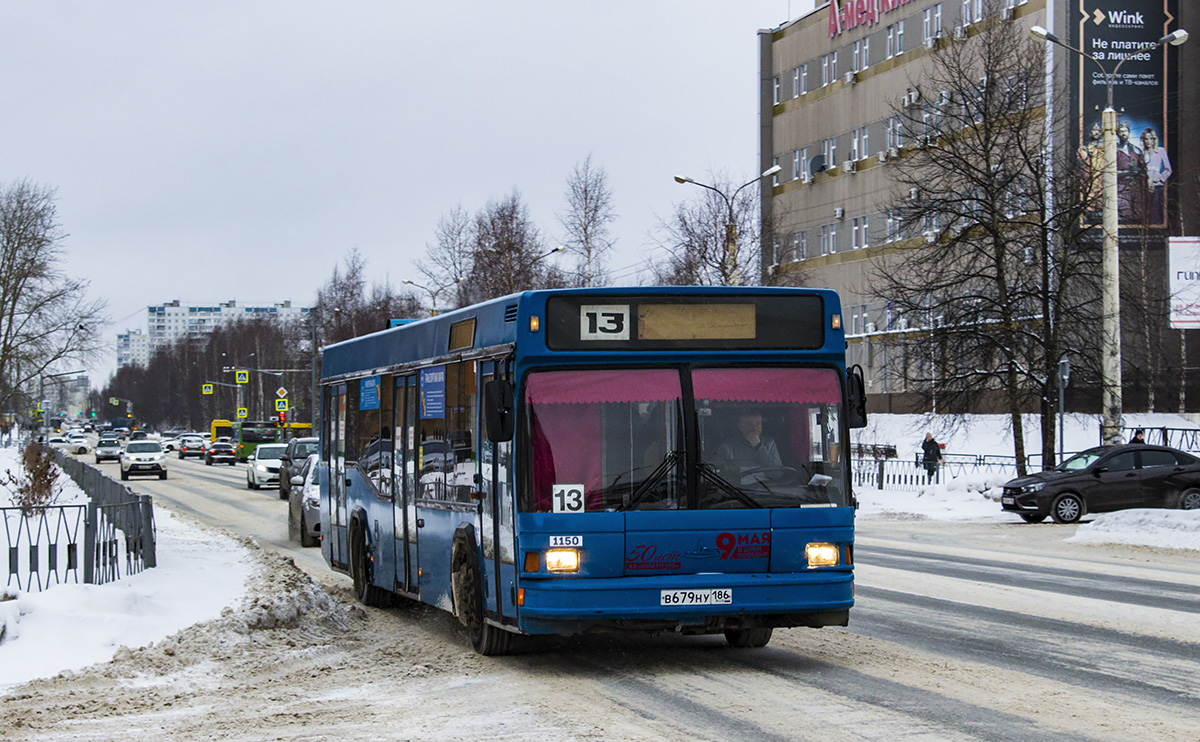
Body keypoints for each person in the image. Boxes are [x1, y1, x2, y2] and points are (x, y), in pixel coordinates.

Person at [714, 410, 782, 476]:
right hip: (736, 487)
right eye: (750, 425)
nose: (755, 429)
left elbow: (777, 474)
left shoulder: (769, 444)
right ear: (740, 427)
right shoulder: (727, 449)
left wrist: (758, 446)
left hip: (768, 486)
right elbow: (719, 476)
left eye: (758, 424)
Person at [1140, 128, 1171, 225]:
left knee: (1156, 210)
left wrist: (1160, 179)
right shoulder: (1141, 153)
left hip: (1157, 185)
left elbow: (1168, 169)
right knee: (1144, 210)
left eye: (1151, 139)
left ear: (1154, 140)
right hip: (1144, 186)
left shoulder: (1160, 151)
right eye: (1146, 139)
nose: (1148, 141)